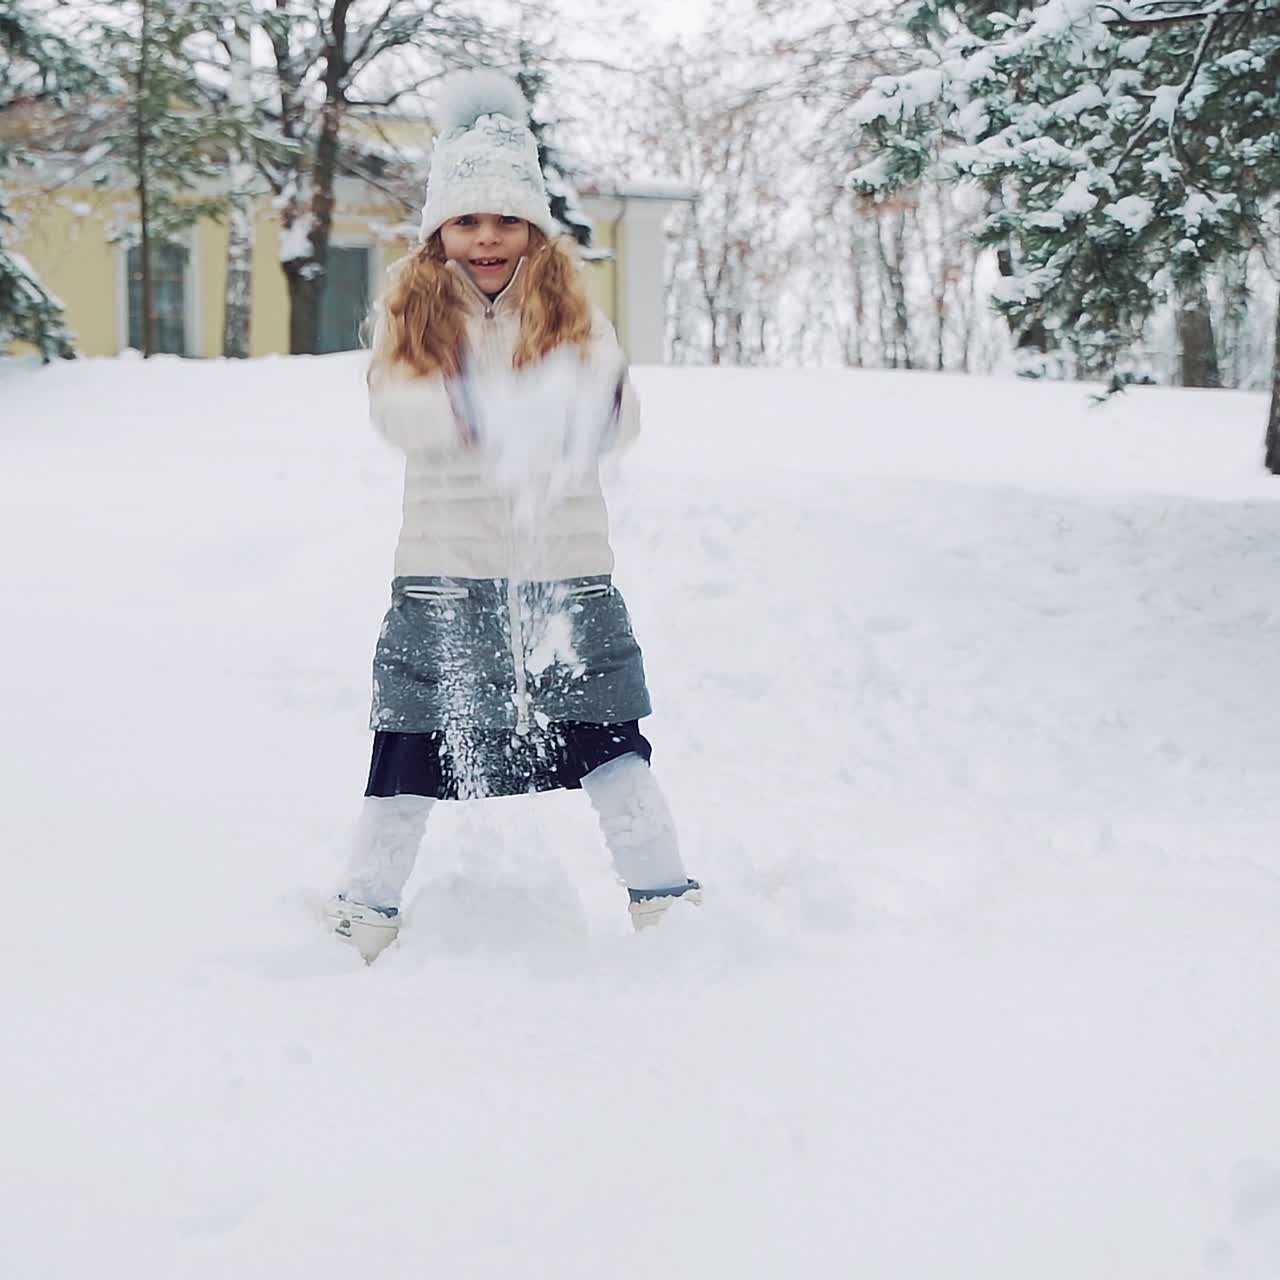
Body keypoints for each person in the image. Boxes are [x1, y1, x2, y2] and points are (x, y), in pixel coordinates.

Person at [325, 69, 701, 960]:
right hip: (445, 573)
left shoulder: (571, 311)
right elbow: (397, 413)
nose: (485, 239)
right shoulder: (411, 312)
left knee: (612, 737)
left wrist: (578, 409)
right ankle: (366, 909)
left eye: (504, 221)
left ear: (532, 228)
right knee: (409, 742)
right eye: (466, 221)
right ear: (440, 231)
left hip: (565, 574)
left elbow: (622, 417)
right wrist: (490, 414)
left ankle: (665, 904)